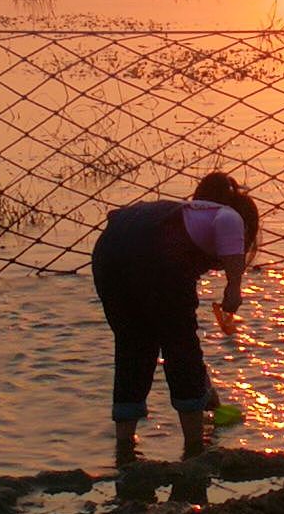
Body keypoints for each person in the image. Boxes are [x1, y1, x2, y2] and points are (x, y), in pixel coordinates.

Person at [91, 171, 260, 458]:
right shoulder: (230, 215)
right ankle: (195, 450)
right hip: (157, 256)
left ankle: (124, 450)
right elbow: (183, 342)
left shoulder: (189, 212)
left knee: (134, 346)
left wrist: (210, 397)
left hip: (108, 253)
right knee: (180, 346)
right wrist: (234, 288)